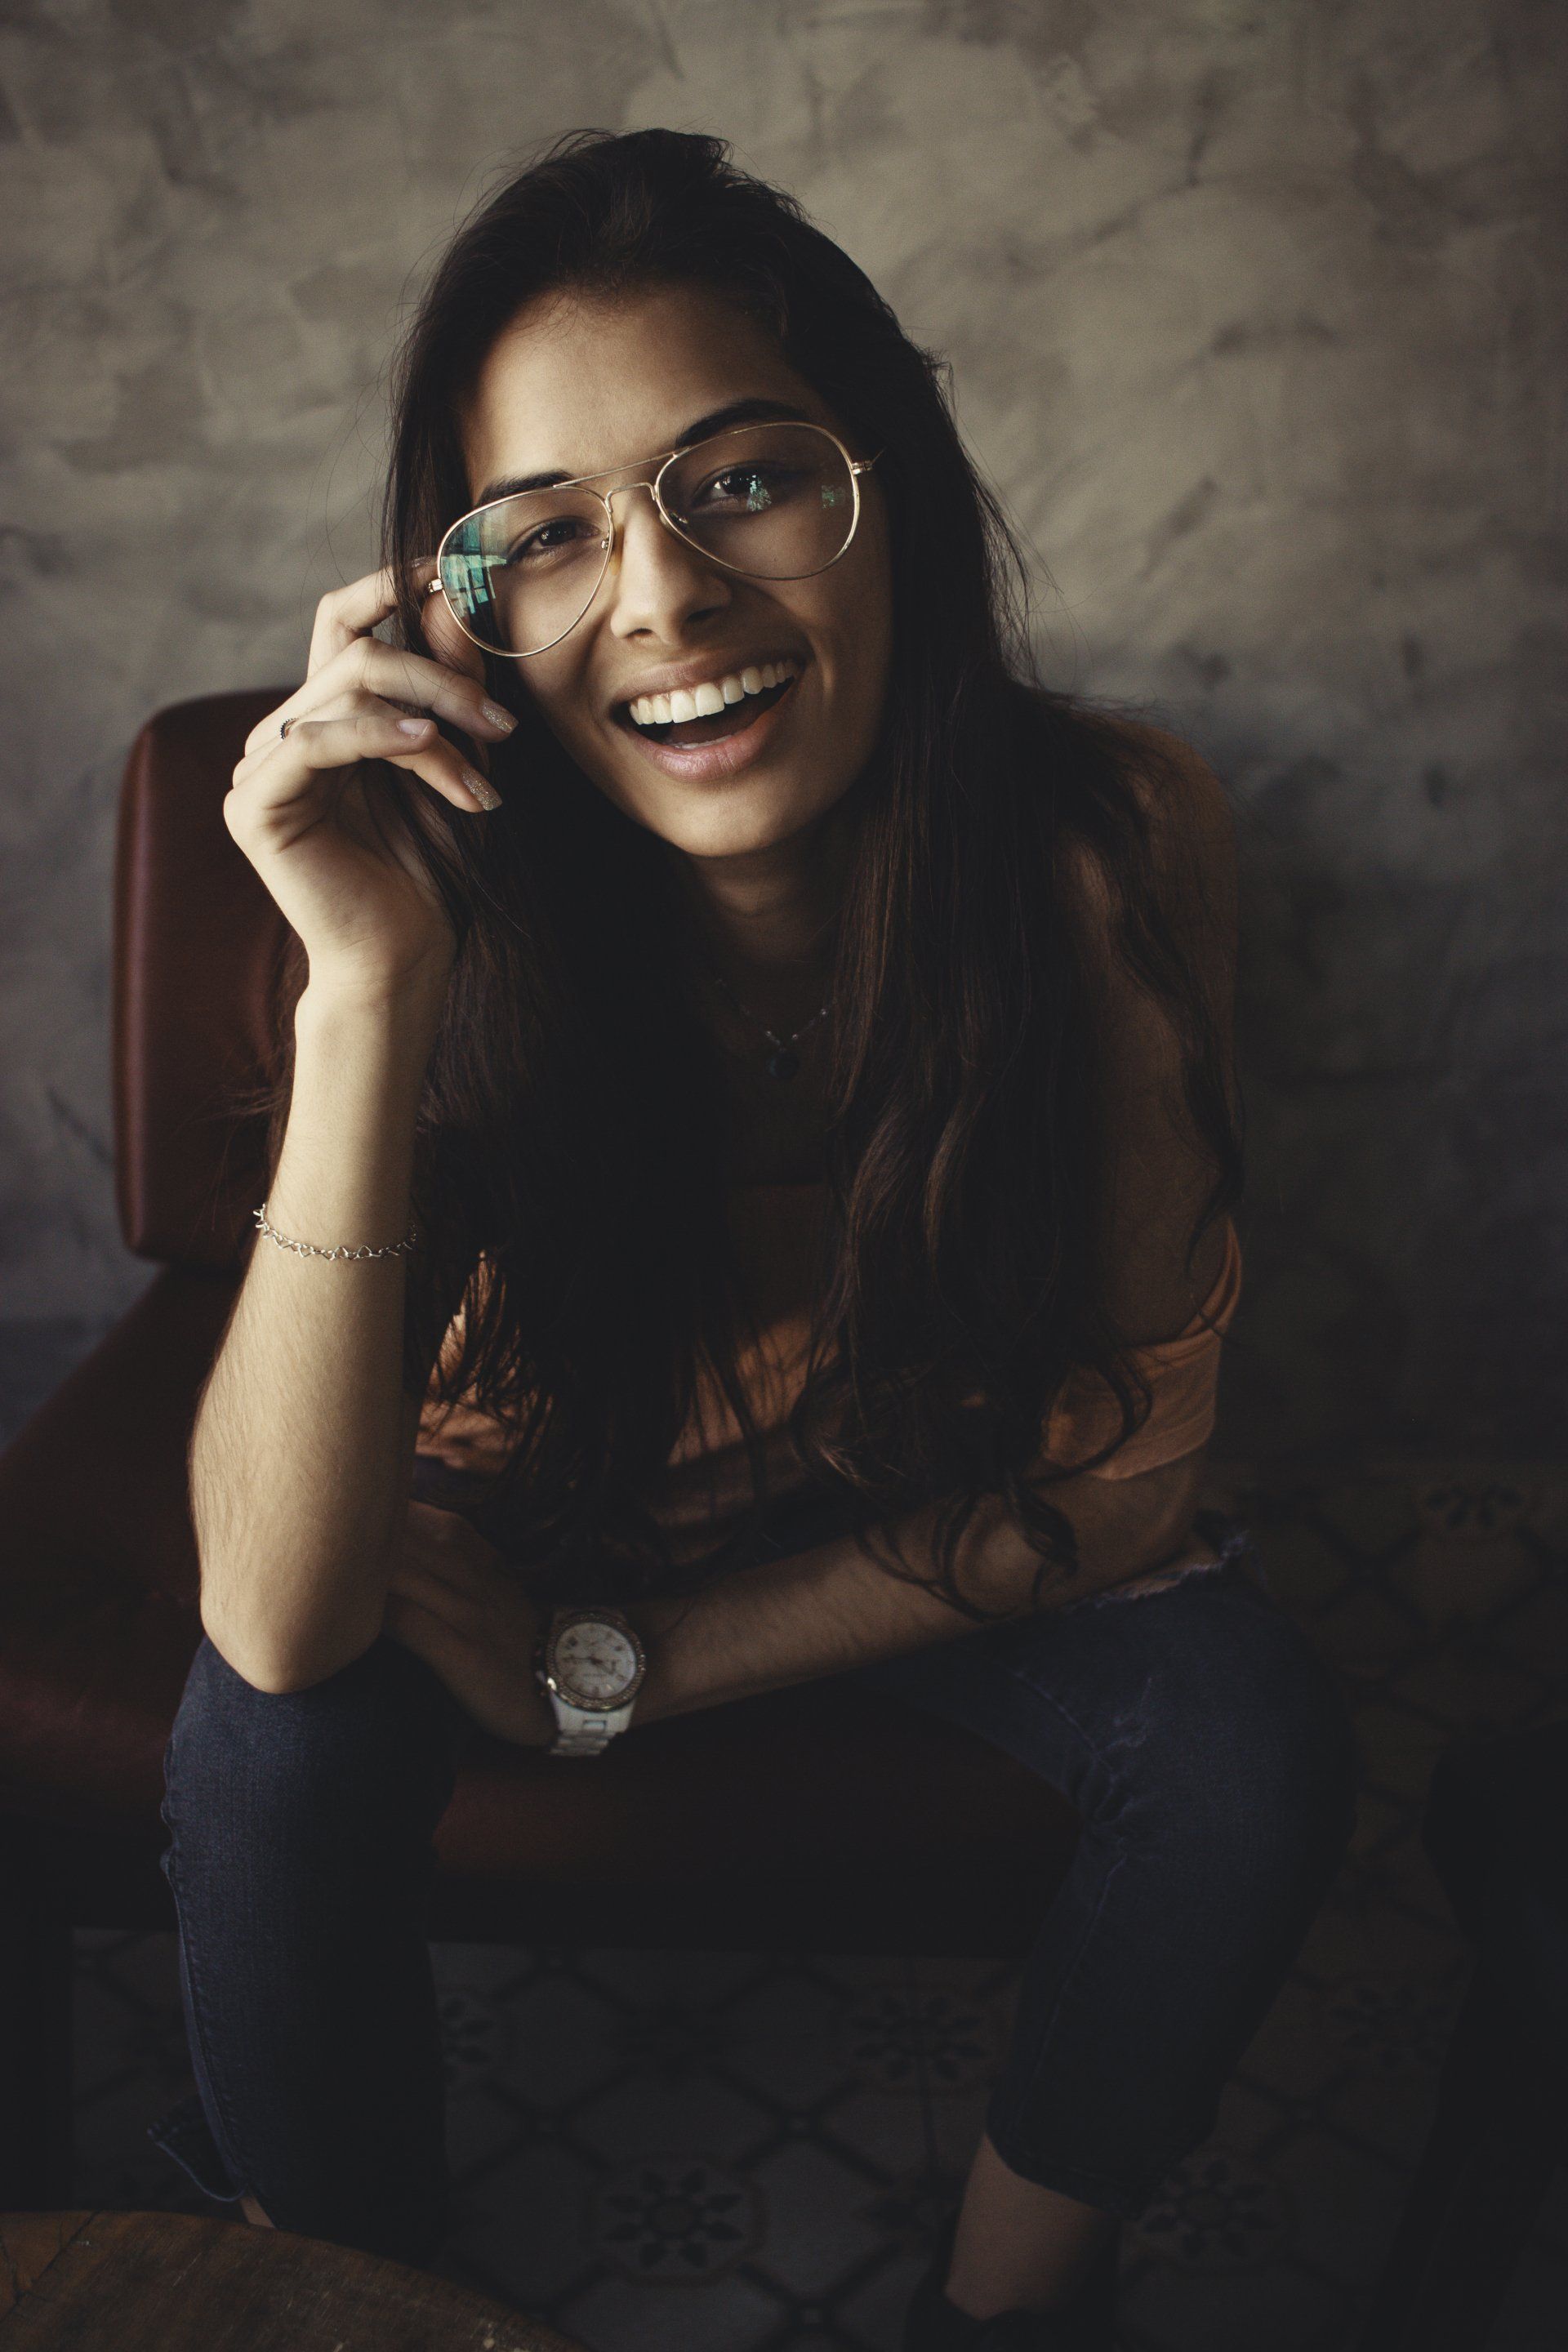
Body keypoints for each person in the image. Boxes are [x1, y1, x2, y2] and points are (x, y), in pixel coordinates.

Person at [145, 128, 1357, 2350]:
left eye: (742, 482)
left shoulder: (1105, 842)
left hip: (911, 1524)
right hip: (519, 1531)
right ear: (460, 613)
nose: (670, 601)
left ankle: (1009, 2312)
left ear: (883, 491)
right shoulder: (410, 906)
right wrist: (369, 990)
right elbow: (289, 1625)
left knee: (1248, 1727)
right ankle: (364, 2310)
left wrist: (624, 1680)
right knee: (266, 1747)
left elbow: (1122, 1463)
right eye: (553, 535)